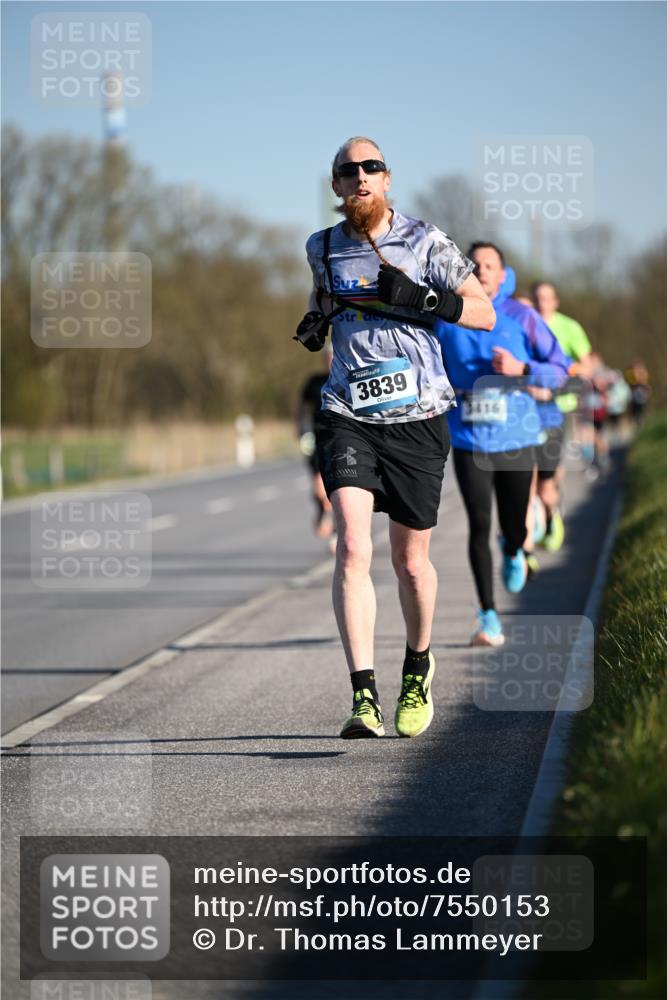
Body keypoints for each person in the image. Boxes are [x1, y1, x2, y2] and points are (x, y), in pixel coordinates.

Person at [296, 136, 494, 738]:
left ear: (387, 179)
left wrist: (425, 297)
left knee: (411, 563)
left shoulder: (426, 240)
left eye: (370, 167)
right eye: (348, 170)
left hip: (418, 416)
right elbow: (321, 298)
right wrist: (314, 319)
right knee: (353, 546)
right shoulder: (322, 246)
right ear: (335, 186)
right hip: (347, 410)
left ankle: (417, 665)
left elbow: (482, 311)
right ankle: (363, 697)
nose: (360, 177)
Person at [436, 244, 570, 647]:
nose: (480, 270)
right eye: (473, 265)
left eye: (489, 265)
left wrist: (522, 368)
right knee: (478, 522)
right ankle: (488, 616)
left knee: (513, 524)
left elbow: (560, 370)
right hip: (468, 437)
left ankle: (514, 548)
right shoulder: (447, 314)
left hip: (517, 436)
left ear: (502, 274)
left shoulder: (521, 316)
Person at [531, 281, 593, 546]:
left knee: (551, 468)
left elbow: (586, 365)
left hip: (561, 406)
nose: (541, 302)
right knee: (527, 466)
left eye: (546, 298)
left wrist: (562, 377)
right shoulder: (525, 323)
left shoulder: (569, 327)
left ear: (555, 301)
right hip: (528, 406)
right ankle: (535, 517)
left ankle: (551, 509)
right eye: (537, 298)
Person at [296, 346, 337, 552]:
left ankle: (336, 530)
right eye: (327, 357)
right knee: (318, 488)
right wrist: (301, 430)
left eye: (333, 357)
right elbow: (302, 409)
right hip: (316, 439)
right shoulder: (314, 382)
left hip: (339, 439)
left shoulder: (345, 378)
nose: (330, 361)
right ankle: (323, 510)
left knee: (338, 487)